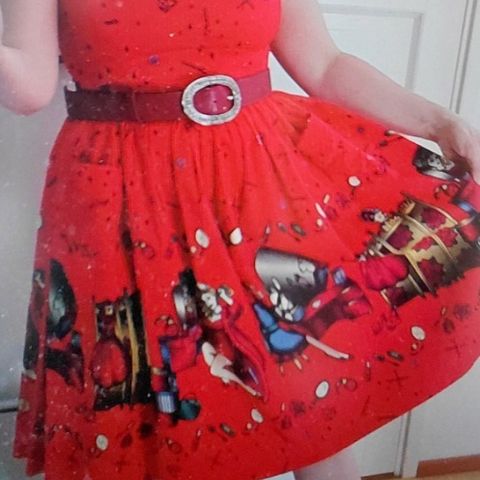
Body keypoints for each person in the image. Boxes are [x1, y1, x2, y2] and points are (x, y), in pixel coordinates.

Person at [1, 1, 479, 479]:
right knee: (154, 401)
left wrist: (439, 123)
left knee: (310, 394)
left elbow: (324, 65)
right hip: (120, 197)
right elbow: (30, 88)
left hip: (258, 180)